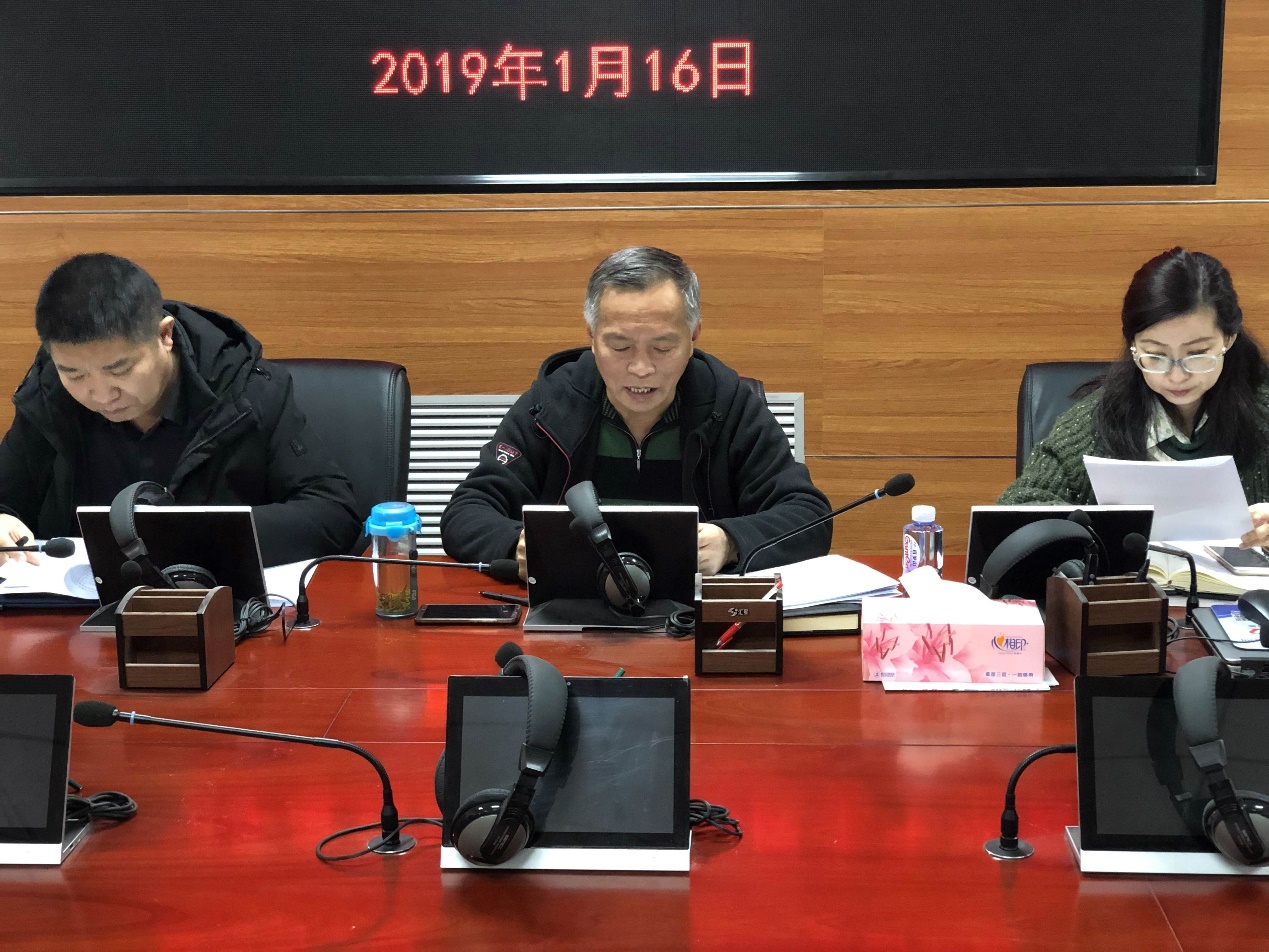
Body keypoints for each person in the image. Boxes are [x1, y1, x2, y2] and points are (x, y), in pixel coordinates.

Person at [441, 246, 833, 577]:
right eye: (620, 346)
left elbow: (808, 516)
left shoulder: (728, 404)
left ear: (693, 336)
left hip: (694, 616)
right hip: (573, 609)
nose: (641, 368)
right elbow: (467, 511)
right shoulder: (554, 403)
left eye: (663, 347)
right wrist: (516, 545)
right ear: (591, 337)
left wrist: (731, 542)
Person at [0, 253, 361, 566]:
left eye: (120, 370)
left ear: (164, 335)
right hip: (77, 609)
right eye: (74, 374)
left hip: (224, 604)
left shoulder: (248, 391)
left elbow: (333, 514)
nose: (101, 395)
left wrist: (201, 536)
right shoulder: (50, 395)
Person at [999, 247, 1269, 547]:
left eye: (1196, 353)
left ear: (1229, 338)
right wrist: (1094, 535)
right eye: (1155, 355)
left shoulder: (1263, 408)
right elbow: (1019, 506)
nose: (1176, 376)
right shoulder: (1101, 417)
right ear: (1134, 346)